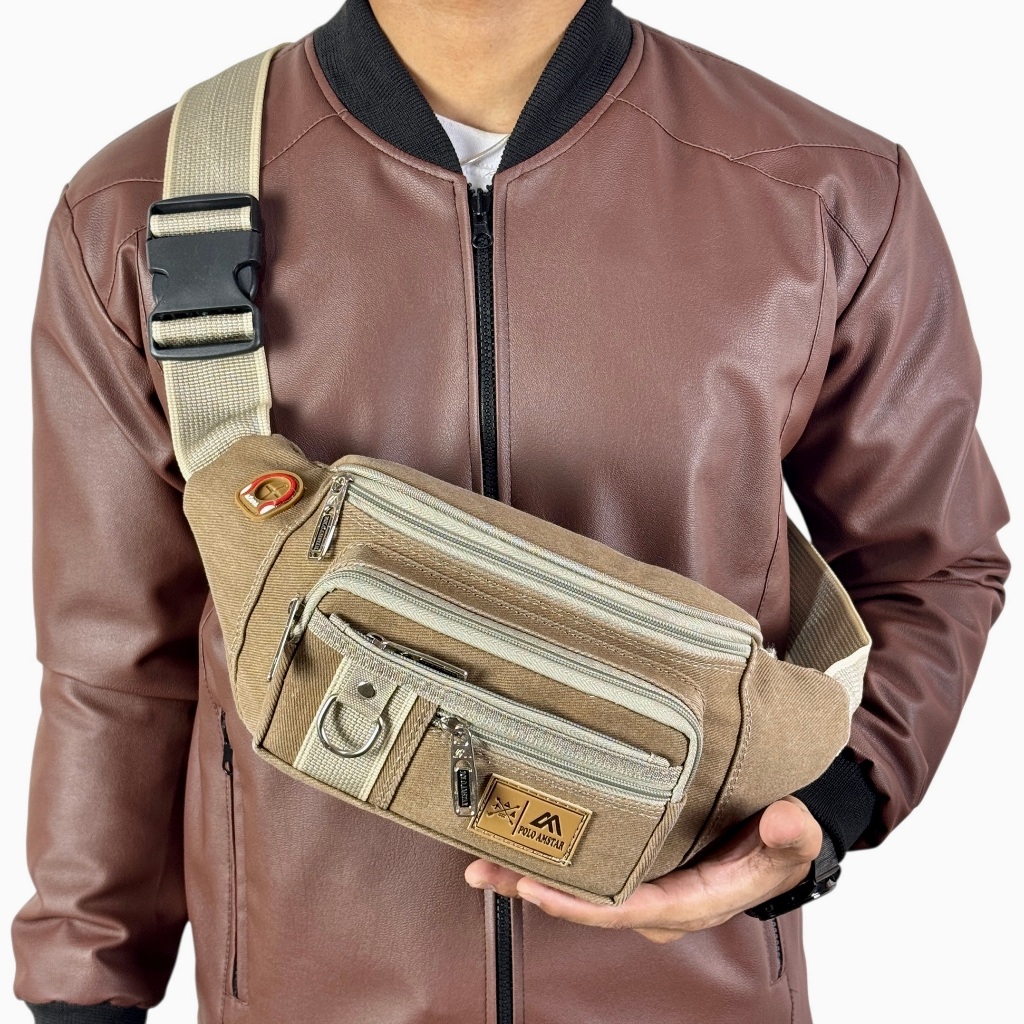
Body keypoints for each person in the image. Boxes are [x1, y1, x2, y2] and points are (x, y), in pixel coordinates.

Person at [10, 0, 1010, 1021]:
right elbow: (115, 663)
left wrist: (830, 804)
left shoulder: (825, 193)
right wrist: (81, 997)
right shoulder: (141, 211)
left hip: (690, 994)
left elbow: (929, 564)